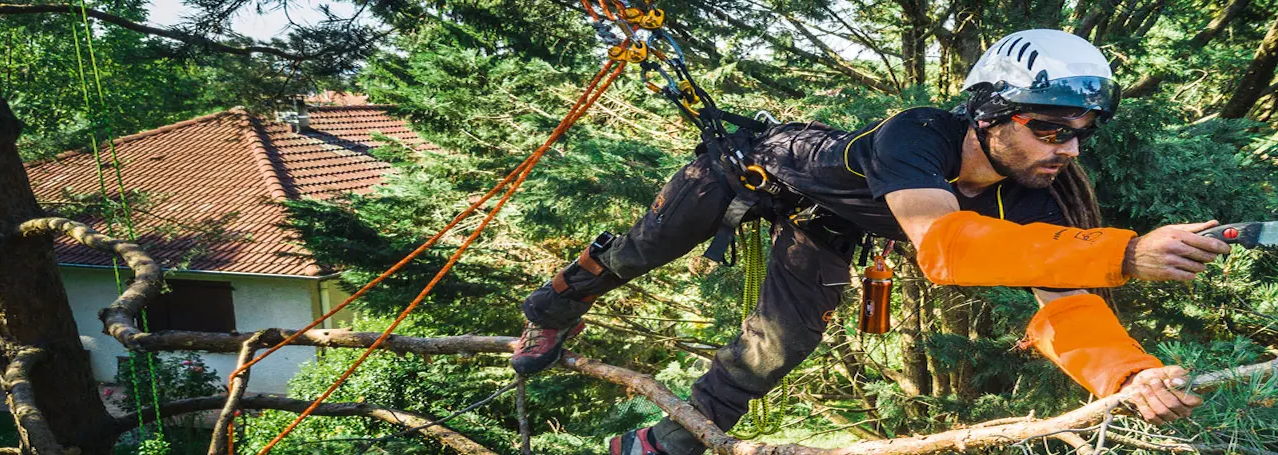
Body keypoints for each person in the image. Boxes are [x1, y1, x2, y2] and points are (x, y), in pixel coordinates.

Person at [508, 29, 1233, 455]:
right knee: (636, 253)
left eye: (1081, 134)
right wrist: (1125, 254)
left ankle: (662, 445)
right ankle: (549, 310)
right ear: (988, 115)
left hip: (828, 223)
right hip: (742, 172)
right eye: (1050, 129)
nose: (1068, 150)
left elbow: (1065, 301)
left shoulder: (1034, 195)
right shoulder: (917, 135)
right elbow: (942, 245)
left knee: (782, 343)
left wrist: (1128, 375)